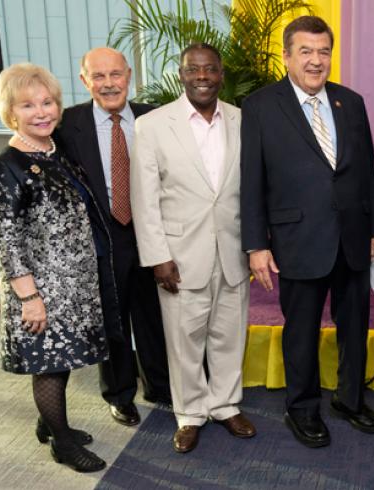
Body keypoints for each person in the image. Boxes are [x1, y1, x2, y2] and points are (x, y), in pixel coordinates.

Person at [241, 15, 374, 448]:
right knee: (301, 330)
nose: (315, 60)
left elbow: (366, 170)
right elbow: (252, 180)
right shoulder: (261, 106)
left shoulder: (351, 101)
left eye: (323, 51)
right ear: (287, 55)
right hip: (297, 240)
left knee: (354, 325)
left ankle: (350, 400)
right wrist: (255, 244)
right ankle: (301, 409)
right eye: (305, 51)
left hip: (354, 237)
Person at [0, 62, 113, 472]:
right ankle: (62, 443)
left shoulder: (55, 154)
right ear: (10, 113)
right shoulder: (5, 169)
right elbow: (7, 242)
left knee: (63, 359)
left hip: (71, 284)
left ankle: (50, 423)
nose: (42, 112)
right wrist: (30, 298)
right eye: (28, 105)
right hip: (41, 289)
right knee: (50, 366)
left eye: (48, 102)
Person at [130, 43, 255, 453]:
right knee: (185, 340)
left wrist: (256, 244)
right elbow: (144, 198)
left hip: (234, 249)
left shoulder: (242, 119)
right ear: (182, 74)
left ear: (221, 74)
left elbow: (252, 189)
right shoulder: (153, 125)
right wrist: (157, 256)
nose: (202, 77)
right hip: (179, 256)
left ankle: (225, 404)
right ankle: (189, 415)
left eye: (211, 70)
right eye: (193, 70)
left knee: (228, 334)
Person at [57, 46, 171, 428]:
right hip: (102, 238)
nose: (109, 84)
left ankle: (159, 385)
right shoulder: (65, 126)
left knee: (154, 315)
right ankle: (120, 394)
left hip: (152, 234)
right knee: (114, 319)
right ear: (84, 81)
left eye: (115, 74)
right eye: (99, 76)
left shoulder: (153, 118)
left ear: (129, 76)